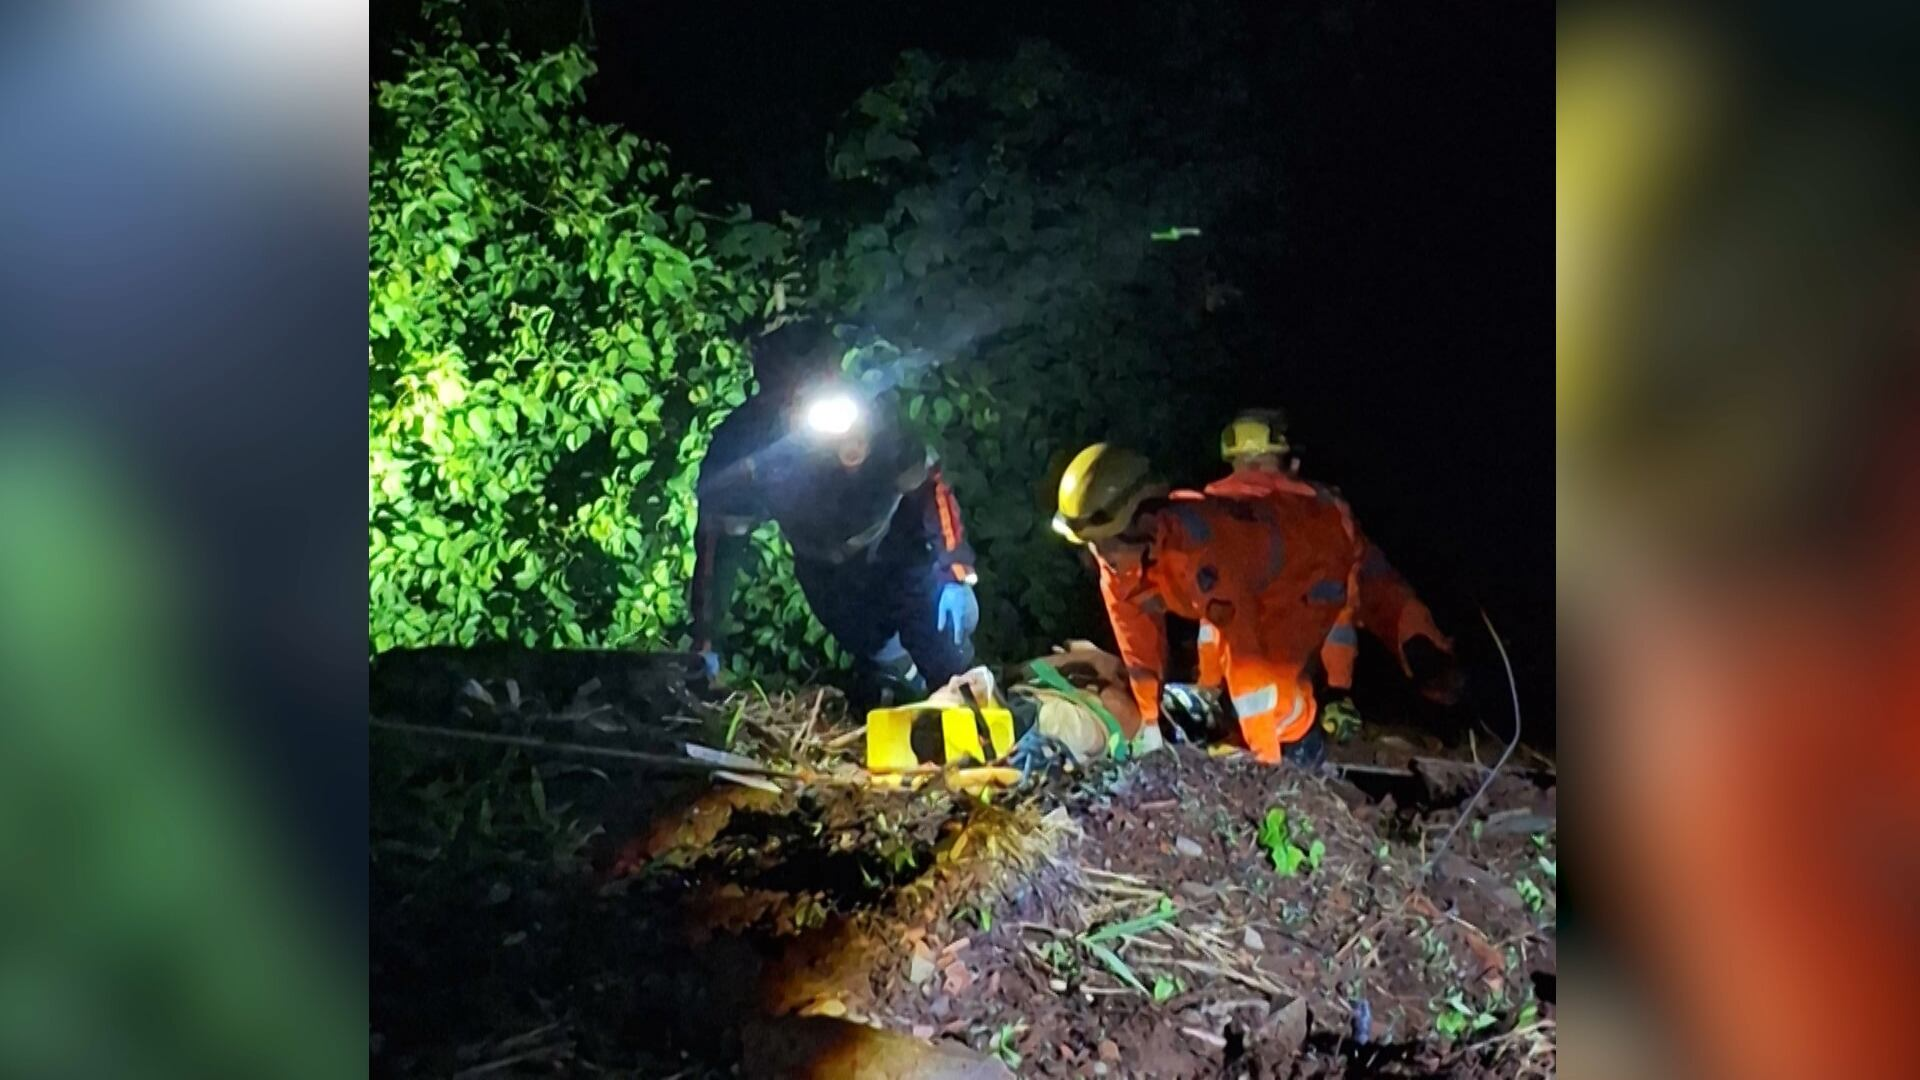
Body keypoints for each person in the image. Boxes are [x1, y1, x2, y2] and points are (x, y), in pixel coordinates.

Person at [688, 321, 979, 707]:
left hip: (905, 555)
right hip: (828, 577)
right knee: (890, 681)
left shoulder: (866, 420)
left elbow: (930, 484)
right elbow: (716, 543)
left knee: (948, 661)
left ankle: (982, 729)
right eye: (784, 392)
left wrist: (954, 567)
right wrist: (707, 639)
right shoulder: (745, 442)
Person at [1052, 443, 1358, 766]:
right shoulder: (1119, 562)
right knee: (1221, 690)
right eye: (1091, 544)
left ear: (1142, 522)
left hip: (1307, 569)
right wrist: (1149, 722)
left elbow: (1246, 656)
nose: (1101, 555)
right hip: (1240, 588)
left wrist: (1264, 762)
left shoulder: (1202, 552)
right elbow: (1137, 647)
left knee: (1273, 702)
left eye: (1107, 541)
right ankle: (1244, 727)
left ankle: (1304, 748)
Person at [1206, 408, 1462, 706]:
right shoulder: (1227, 514)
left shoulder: (1319, 518)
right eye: (1243, 465)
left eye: (1257, 464)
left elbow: (1363, 595)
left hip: (1283, 654)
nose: (1249, 477)